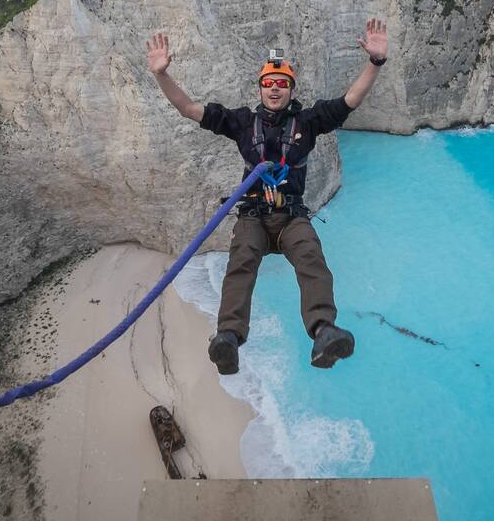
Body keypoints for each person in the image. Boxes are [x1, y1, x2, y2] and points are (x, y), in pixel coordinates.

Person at [145, 19, 389, 375]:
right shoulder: (242, 122)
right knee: (241, 263)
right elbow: (190, 108)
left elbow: (350, 101)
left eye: (281, 84)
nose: (274, 89)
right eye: (268, 84)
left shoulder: (308, 121)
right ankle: (228, 338)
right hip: (254, 216)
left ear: (291, 89)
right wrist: (162, 76)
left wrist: (375, 62)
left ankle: (323, 332)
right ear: (260, 89)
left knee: (311, 259)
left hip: (291, 215)